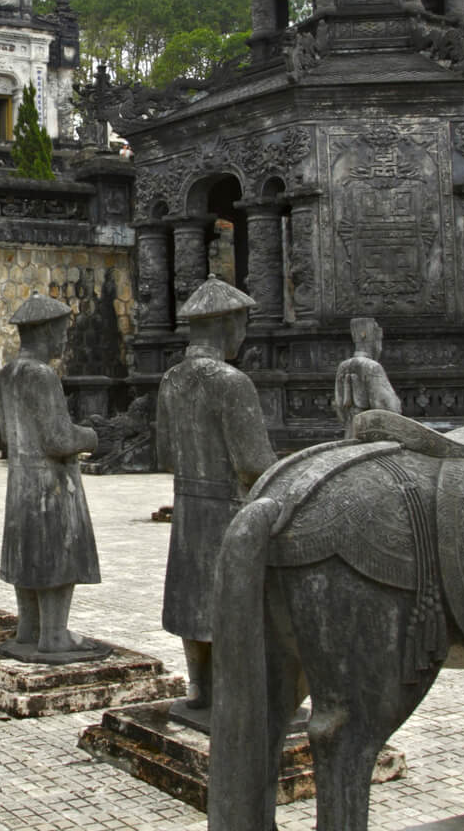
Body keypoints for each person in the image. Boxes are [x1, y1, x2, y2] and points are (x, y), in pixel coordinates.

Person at [158, 276, 277, 724]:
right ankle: (238, 695)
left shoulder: (171, 380)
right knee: (234, 600)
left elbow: (165, 452)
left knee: (194, 596)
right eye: (241, 325)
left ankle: (199, 691)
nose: (243, 336)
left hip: (189, 506)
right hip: (230, 507)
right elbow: (252, 462)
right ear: (227, 324)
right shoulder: (231, 382)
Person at [0, 293, 104, 660]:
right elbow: (58, 439)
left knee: (27, 554)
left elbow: (8, 435)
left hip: (20, 481)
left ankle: (29, 629)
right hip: (50, 483)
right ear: (43, 330)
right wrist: (90, 436)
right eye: (60, 331)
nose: (63, 339)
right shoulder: (41, 375)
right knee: (58, 554)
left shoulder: (6, 374)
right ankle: (55, 634)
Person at [334, 316, 401, 438]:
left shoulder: (343, 366)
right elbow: (388, 407)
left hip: (350, 431)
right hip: (370, 436)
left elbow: (339, 406)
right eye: (379, 341)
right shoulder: (372, 367)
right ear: (374, 340)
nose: (380, 347)